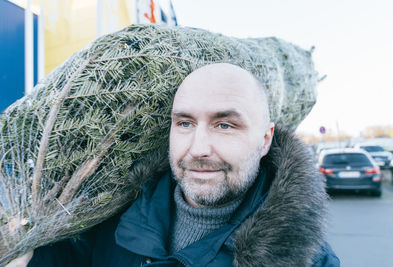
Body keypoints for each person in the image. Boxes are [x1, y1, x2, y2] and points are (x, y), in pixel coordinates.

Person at [7, 63, 339, 267]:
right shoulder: (111, 217)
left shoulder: (308, 259)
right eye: (184, 123)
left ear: (265, 139)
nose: (198, 148)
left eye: (225, 125)